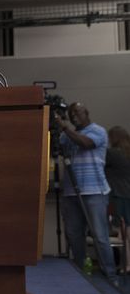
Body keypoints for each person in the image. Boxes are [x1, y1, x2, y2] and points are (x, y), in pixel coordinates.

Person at [54, 103, 117, 283]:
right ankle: (81, 273)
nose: (74, 116)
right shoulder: (66, 136)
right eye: (71, 114)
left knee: (100, 236)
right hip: (71, 192)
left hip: (95, 190)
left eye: (77, 112)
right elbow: (56, 151)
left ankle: (110, 275)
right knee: (74, 235)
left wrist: (65, 127)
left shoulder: (98, 131)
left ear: (87, 113)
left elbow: (86, 143)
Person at [105, 126, 130, 274]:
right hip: (128, 194)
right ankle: (125, 264)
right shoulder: (127, 153)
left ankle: (126, 264)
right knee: (127, 230)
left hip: (118, 195)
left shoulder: (112, 153)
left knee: (122, 232)